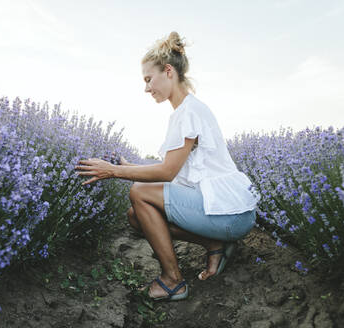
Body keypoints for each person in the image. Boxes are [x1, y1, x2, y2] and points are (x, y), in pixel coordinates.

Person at [74, 31, 261, 301]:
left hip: (232, 214)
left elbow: (167, 173)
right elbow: (174, 167)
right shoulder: (188, 110)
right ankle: (214, 244)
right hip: (229, 211)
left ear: (169, 71)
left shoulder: (188, 112)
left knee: (140, 192)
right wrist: (132, 166)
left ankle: (173, 280)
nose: (147, 88)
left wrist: (113, 171)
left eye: (149, 79)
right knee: (136, 217)